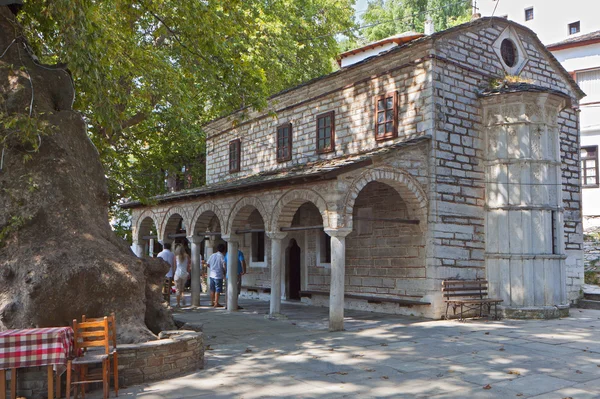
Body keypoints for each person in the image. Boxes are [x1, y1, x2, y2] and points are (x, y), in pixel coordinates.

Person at [207, 243, 227, 308]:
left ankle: (211, 301)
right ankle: (216, 302)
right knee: (218, 289)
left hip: (212, 274)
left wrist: (212, 268)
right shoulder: (222, 256)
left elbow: (208, 264)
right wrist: (225, 272)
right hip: (218, 275)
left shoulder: (212, 255)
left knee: (212, 289)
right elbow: (224, 265)